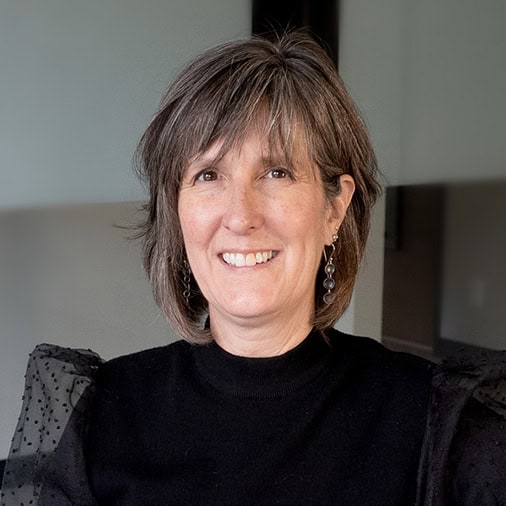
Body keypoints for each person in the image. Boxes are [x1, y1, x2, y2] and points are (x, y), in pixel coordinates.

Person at [1, 32, 505, 506]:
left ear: (335, 209)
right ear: (177, 215)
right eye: (208, 175)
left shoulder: (438, 427)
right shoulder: (100, 415)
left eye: (277, 172)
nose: (241, 216)